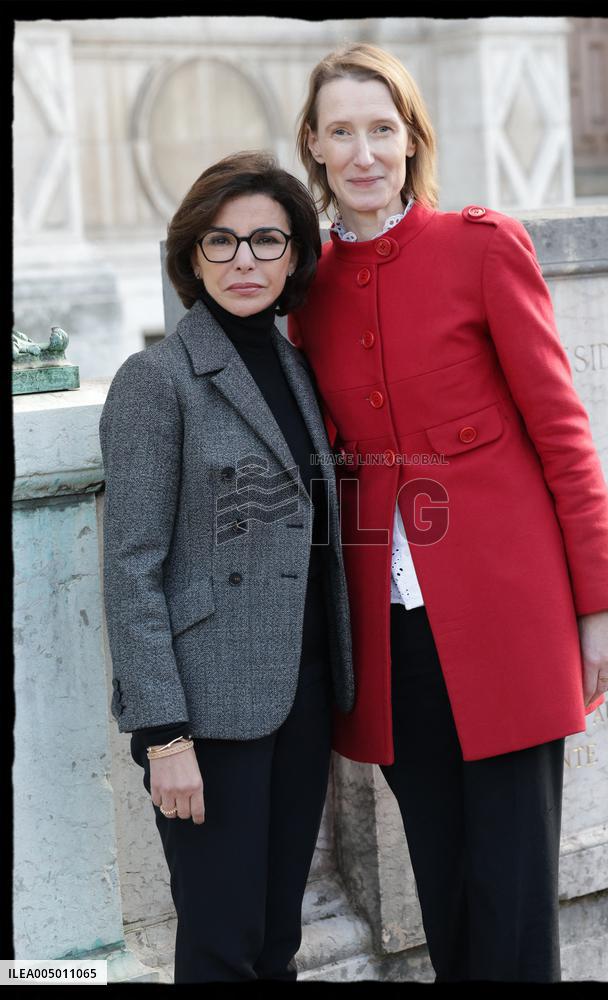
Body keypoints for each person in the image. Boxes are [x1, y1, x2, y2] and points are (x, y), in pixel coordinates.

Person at [289, 43, 608, 983]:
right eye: (343, 132)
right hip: (391, 643)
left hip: (509, 625)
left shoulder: (482, 247)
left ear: (410, 141)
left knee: (516, 905)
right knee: (443, 894)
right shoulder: (304, 295)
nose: (364, 153)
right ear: (314, 146)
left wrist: (600, 602)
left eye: (382, 130)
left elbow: (563, 433)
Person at [99, 150, 355, 983]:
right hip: (206, 715)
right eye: (222, 242)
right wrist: (163, 735)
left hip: (303, 693)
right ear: (191, 256)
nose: (244, 261)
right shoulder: (156, 380)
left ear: (294, 257)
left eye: (266, 241)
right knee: (219, 946)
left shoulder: (296, 366)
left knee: (279, 938)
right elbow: (132, 568)